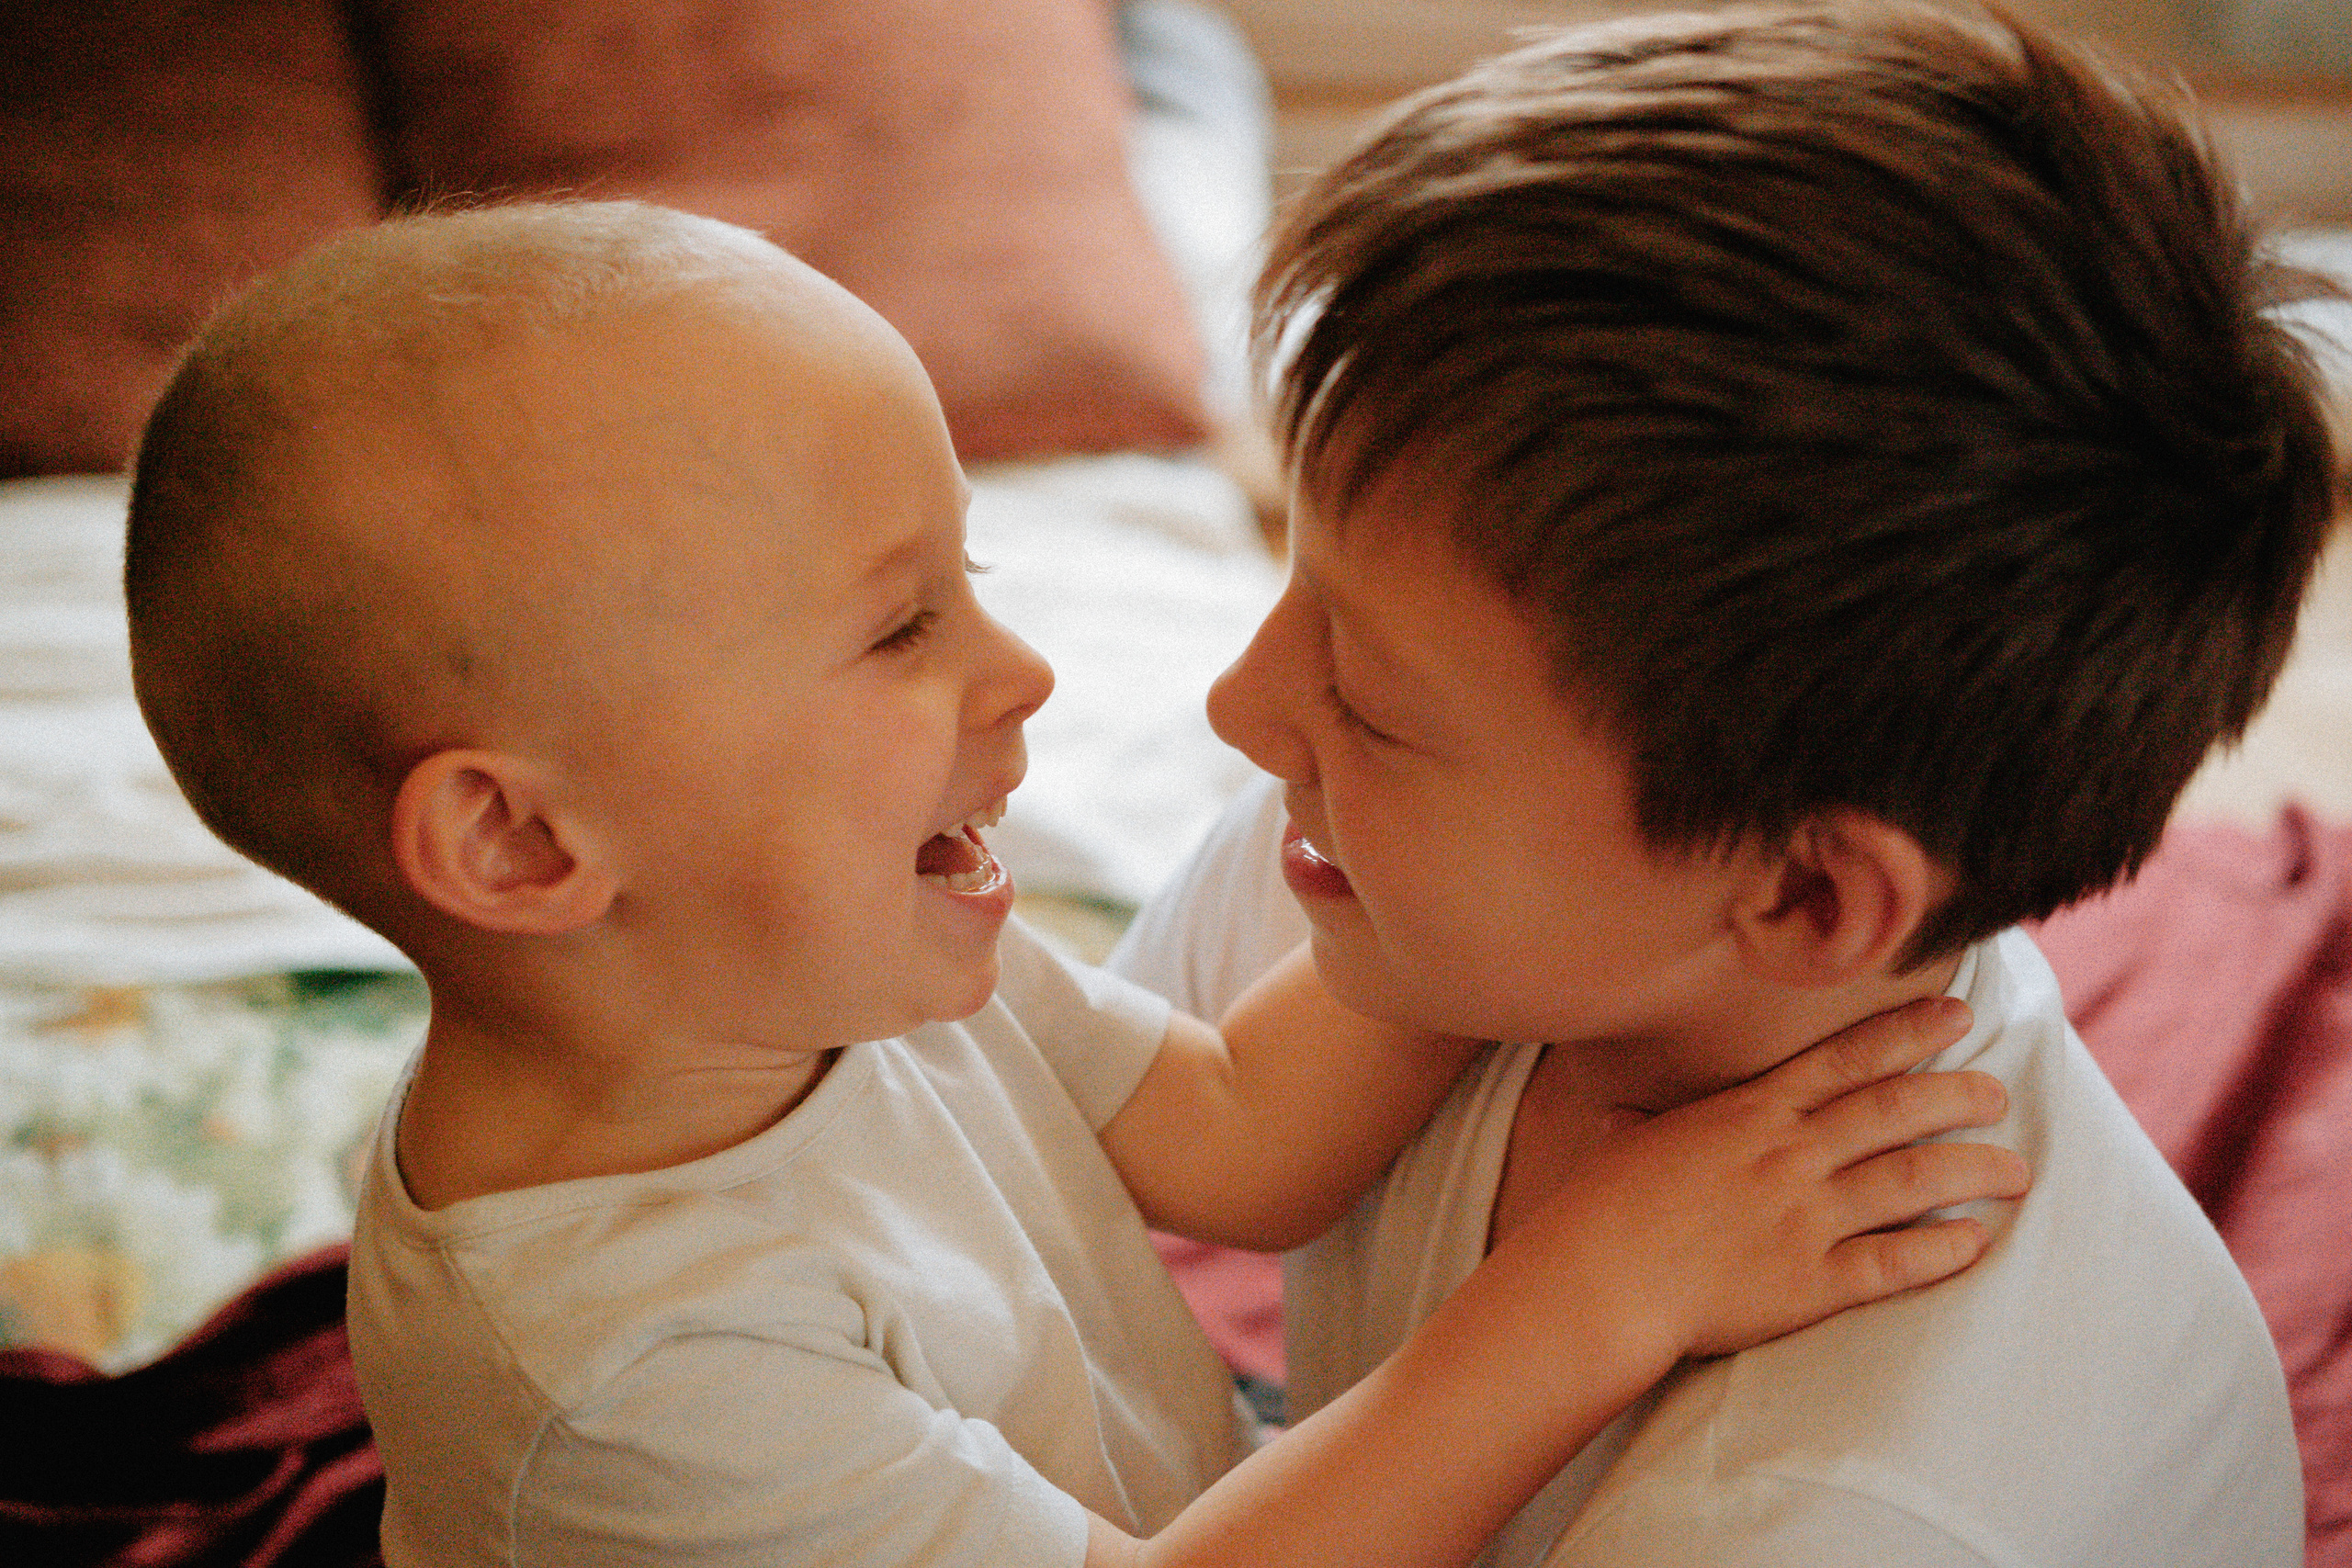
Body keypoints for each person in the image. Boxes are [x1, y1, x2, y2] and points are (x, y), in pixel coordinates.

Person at [117, 200, 2026, 1567]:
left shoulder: (828, 954)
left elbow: (1229, 1134)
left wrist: (1537, 888)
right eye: (897, 627)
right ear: (528, 844)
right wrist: (1596, 1286)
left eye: (980, 581)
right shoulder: (628, 1367)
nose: (1015, 676)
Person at [1109, 5, 2337, 1564]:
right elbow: (1017, 1149)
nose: (1245, 710)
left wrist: (1554, 1320)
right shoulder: (1396, 885)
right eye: (1303, 588)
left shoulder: (1835, 1508)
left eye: (1368, 697)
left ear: (1809, 895)